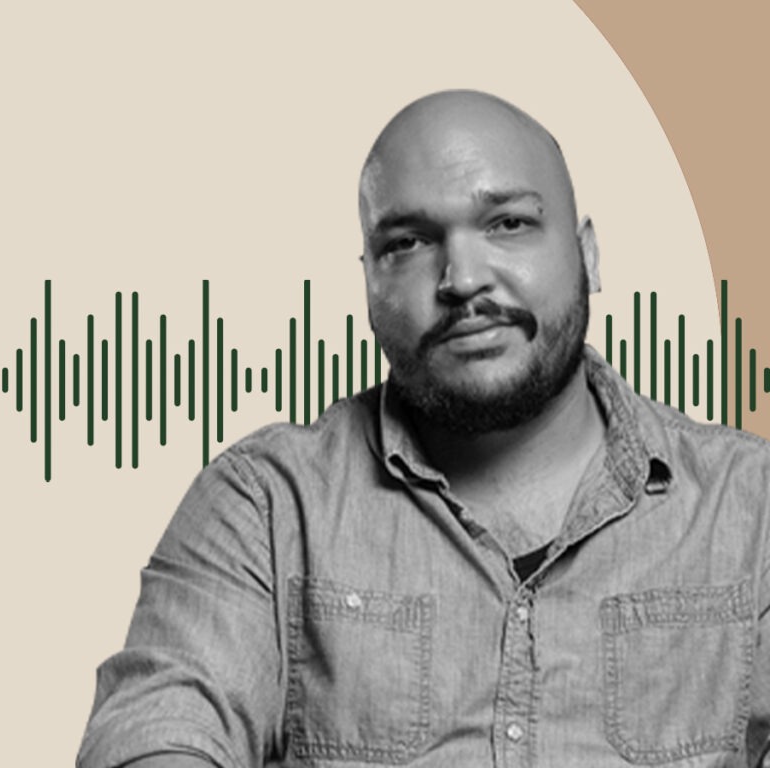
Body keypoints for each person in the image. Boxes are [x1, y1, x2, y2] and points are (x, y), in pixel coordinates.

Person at [77, 90, 770, 767]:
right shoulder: (265, 504)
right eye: (408, 243)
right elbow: (156, 728)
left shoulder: (752, 506)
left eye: (508, 224)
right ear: (369, 282)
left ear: (588, 255)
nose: (462, 279)